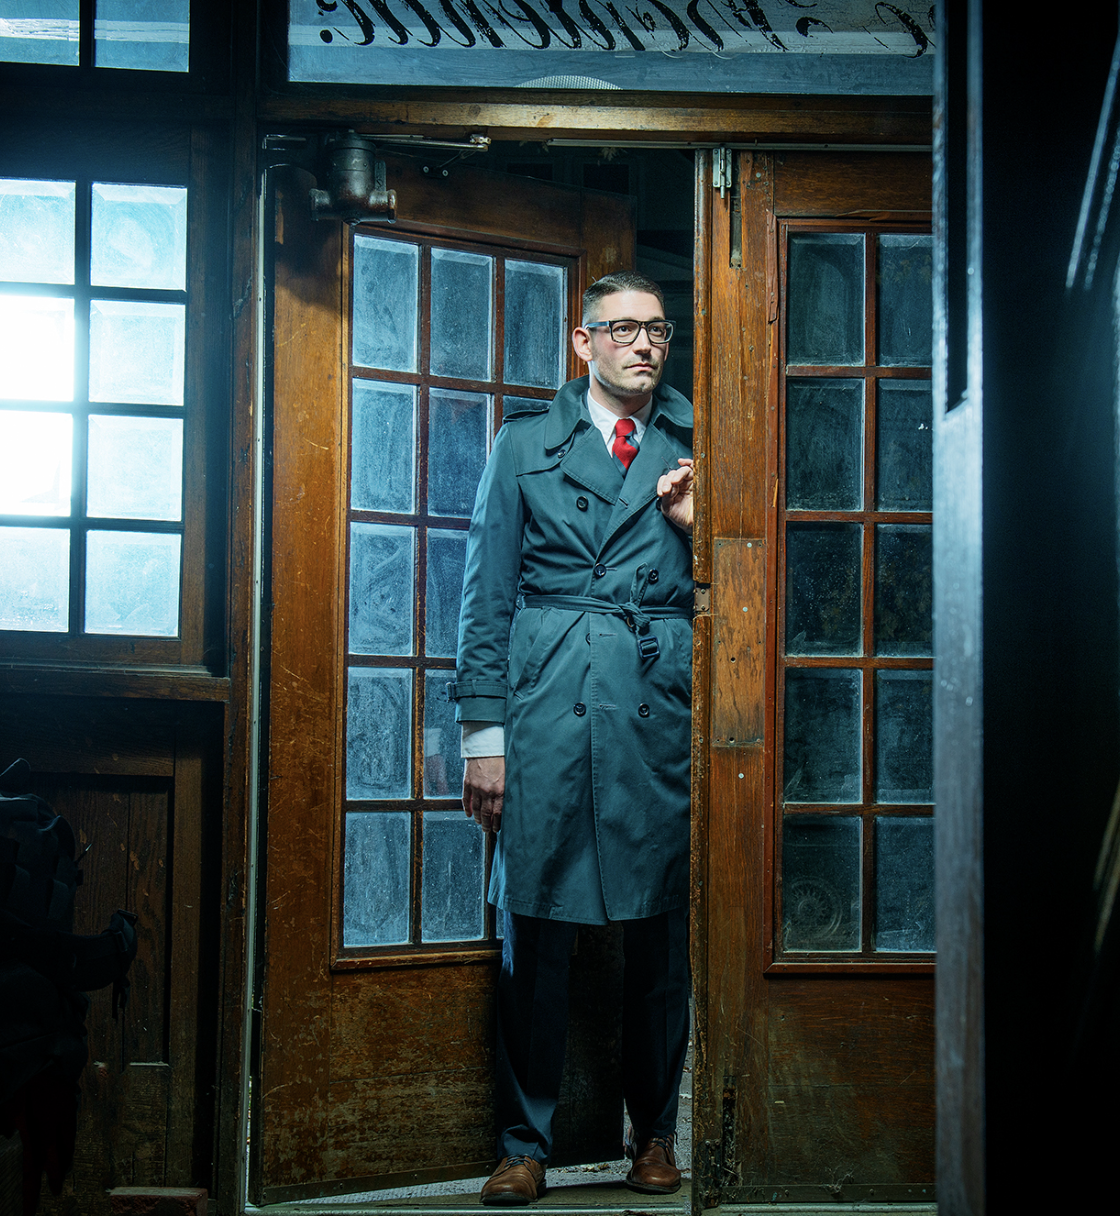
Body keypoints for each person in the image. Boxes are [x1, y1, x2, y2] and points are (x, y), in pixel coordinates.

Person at [451, 270, 697, 1206]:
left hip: (656, 708)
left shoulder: (701, 445)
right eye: (624, 329)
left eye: (658, 331)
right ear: (582, 342)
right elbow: (485, 599)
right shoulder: (523, 446)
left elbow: (755, 577)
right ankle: (525, 1145)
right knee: (535, 932)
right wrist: (484, 736)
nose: (644, 345)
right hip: (546, 703)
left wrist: (695, 526)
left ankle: (655, 1138)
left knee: (656, 933)